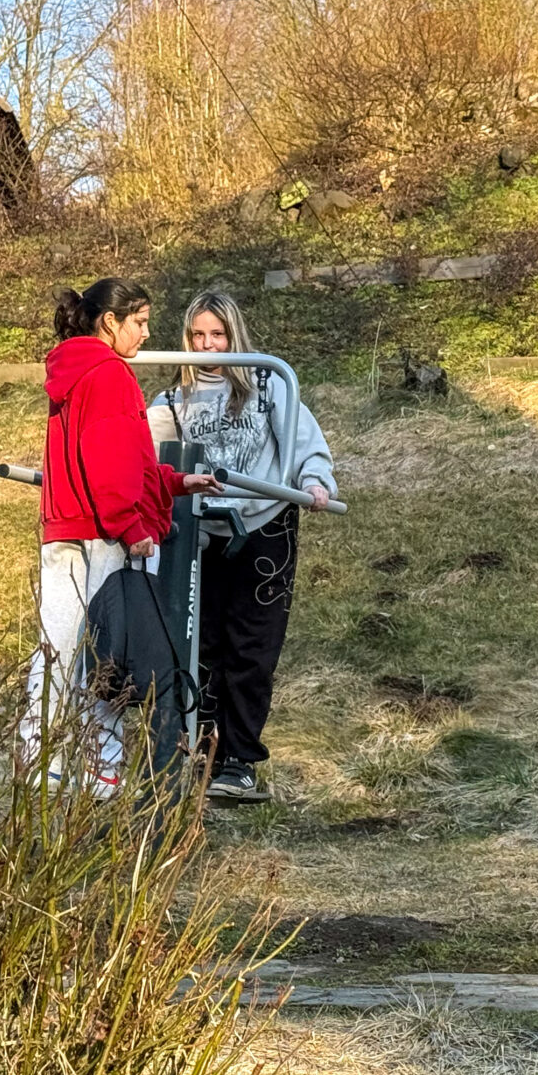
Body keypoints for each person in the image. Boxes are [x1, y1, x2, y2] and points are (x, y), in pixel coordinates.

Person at [24, 276, 219, 795]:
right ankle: (100, 765)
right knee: (109, 653)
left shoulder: (73, 370)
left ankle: (41, 761)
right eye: (139, 321)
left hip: (67, 528)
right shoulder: (110, 373)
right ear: (110, 322)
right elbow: (111, 464)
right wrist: (132, 527)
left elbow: (122, 458)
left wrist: (174, 481)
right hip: (102, 535)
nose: (146, 333)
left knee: (58, 648)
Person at [150, 290, 336, 805]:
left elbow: (306, 445)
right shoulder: (171, 402)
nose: (208, 345)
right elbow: (144, 454)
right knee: (199, 645)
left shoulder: (269, 385)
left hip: (264, 525)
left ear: (235, 335)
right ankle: (201, 751)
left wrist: (316, 481)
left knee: (251, 647)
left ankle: (239, 760)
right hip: (200, 531)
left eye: (218, 334)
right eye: (198, 335)